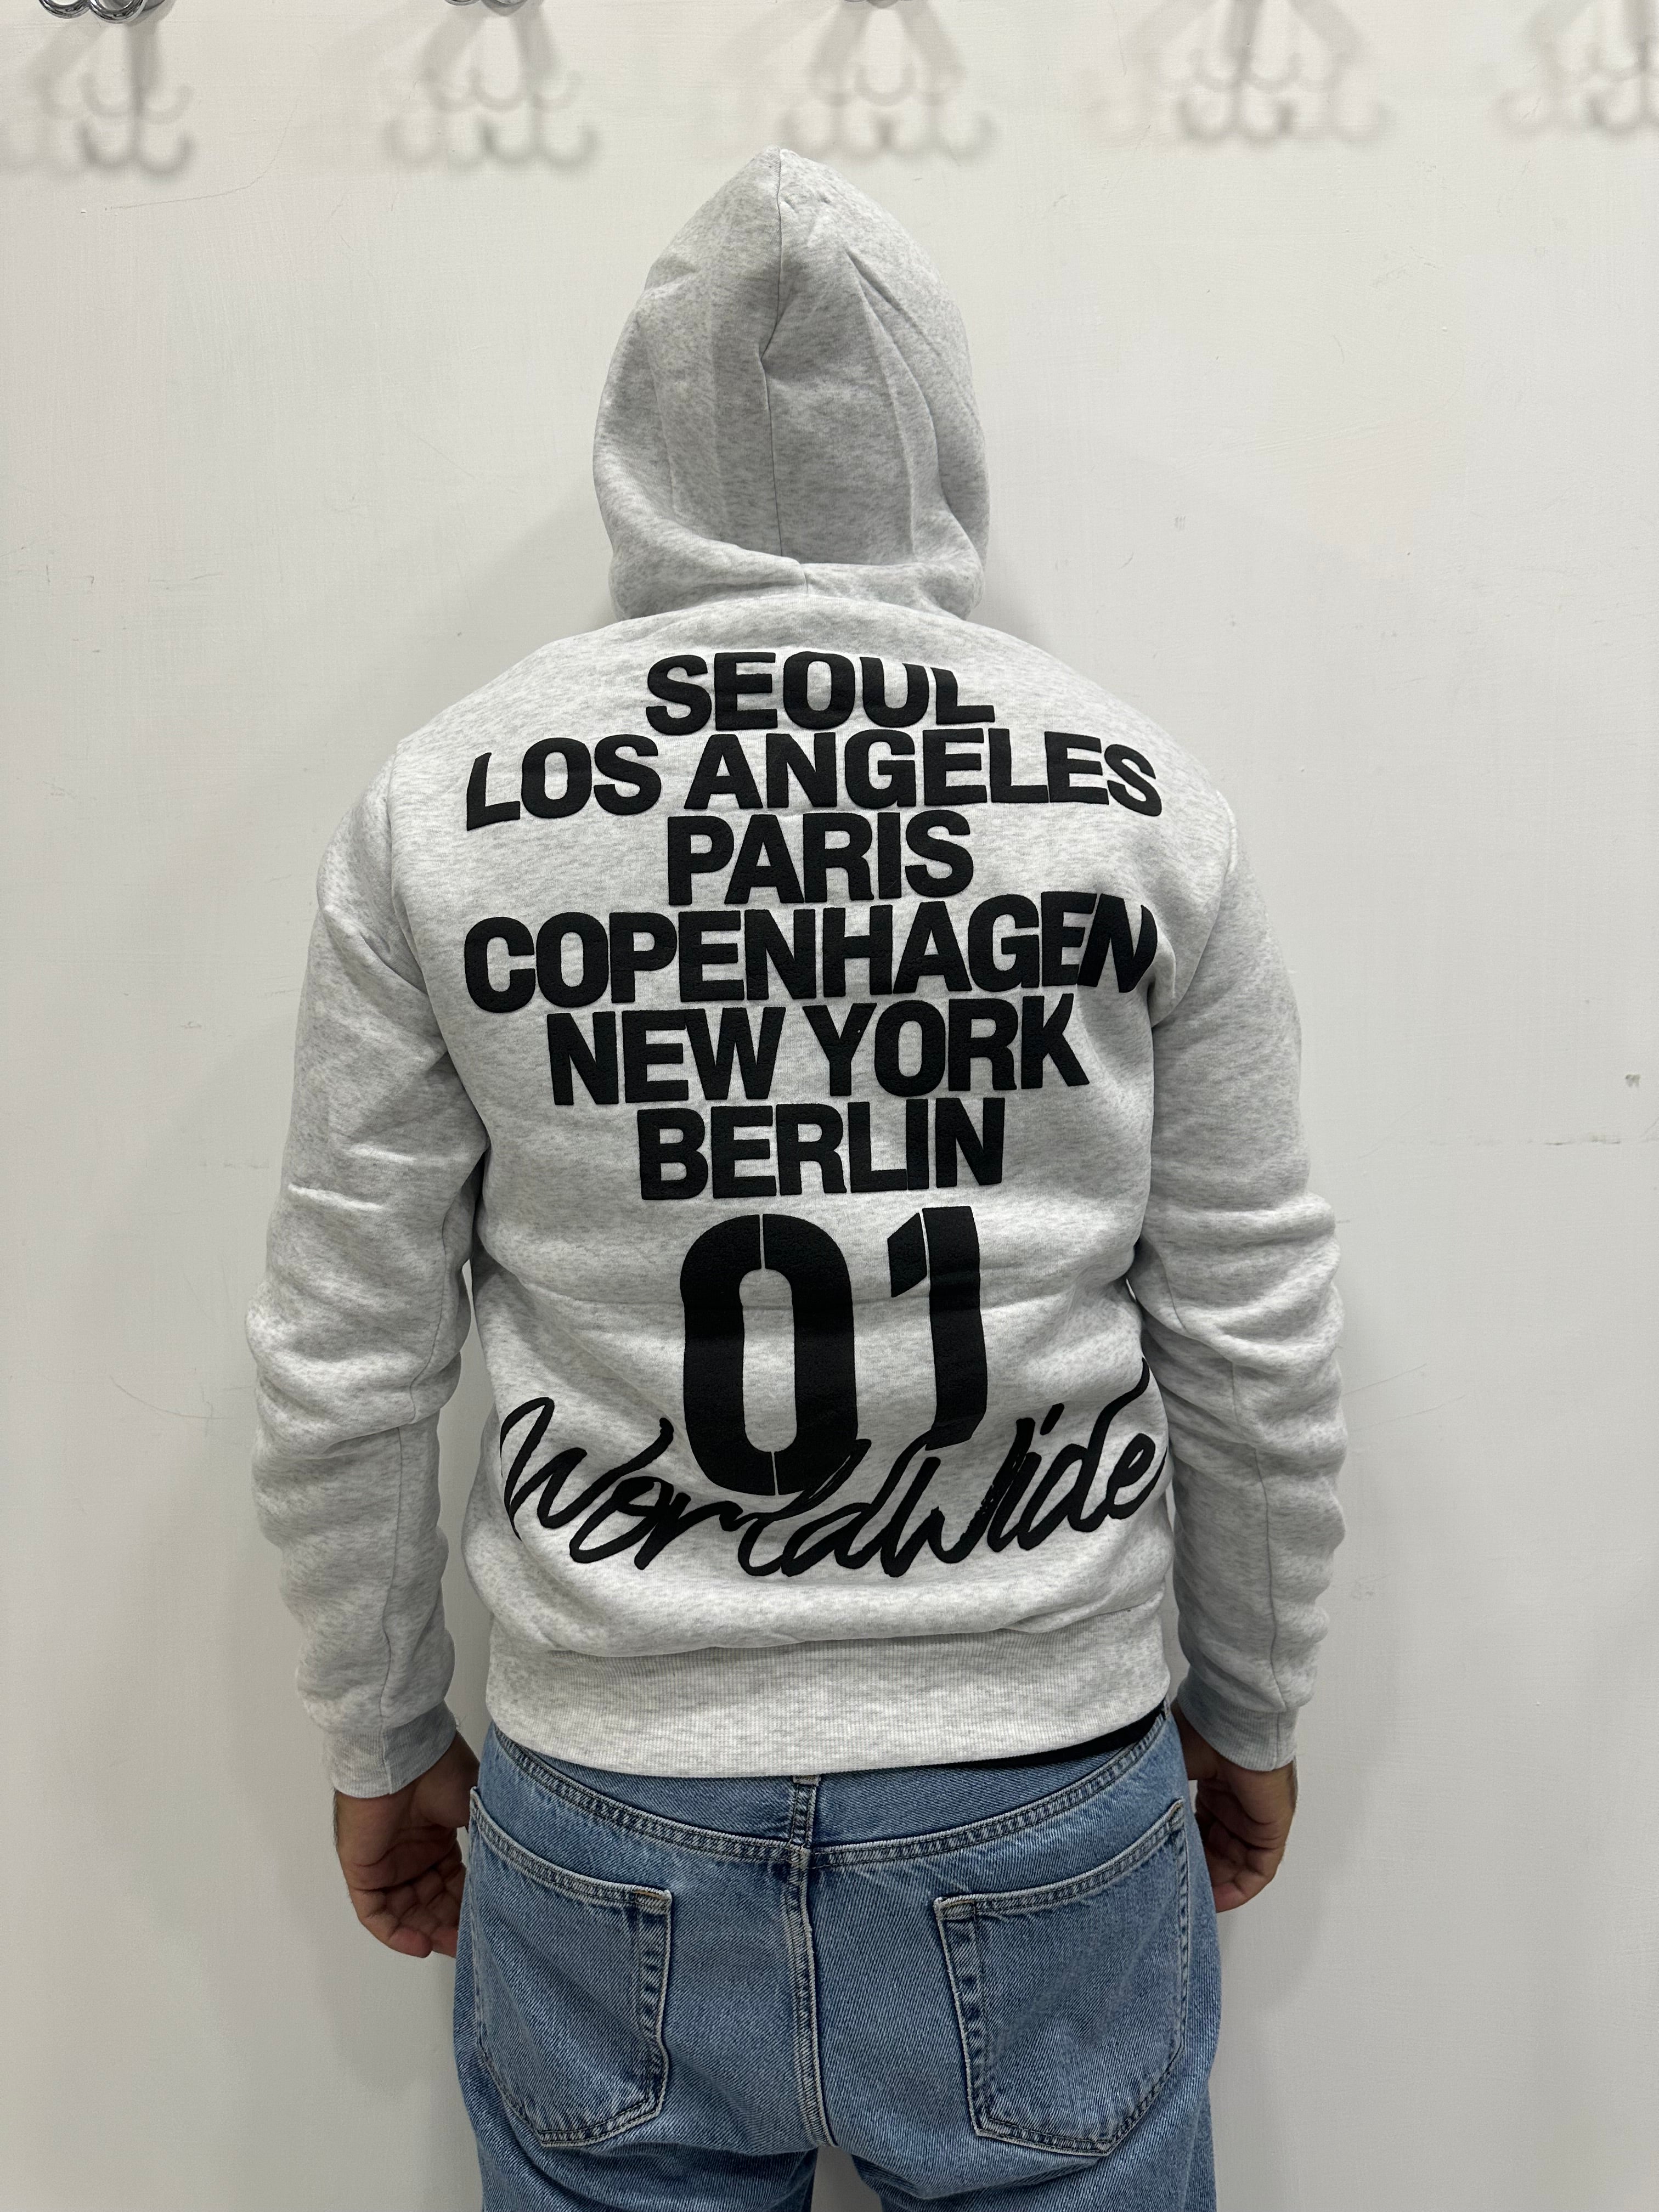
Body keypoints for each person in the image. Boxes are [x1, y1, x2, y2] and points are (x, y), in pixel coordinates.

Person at [247, 149, 1345, 2212]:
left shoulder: (443, 810)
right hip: (1043, 1777)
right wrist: (1255, 1694)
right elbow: (1254, 1332)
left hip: (610, 1801)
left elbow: (350, 1356)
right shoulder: (1140, 802)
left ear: (635, 448)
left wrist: (382, 1734)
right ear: (940, 439)